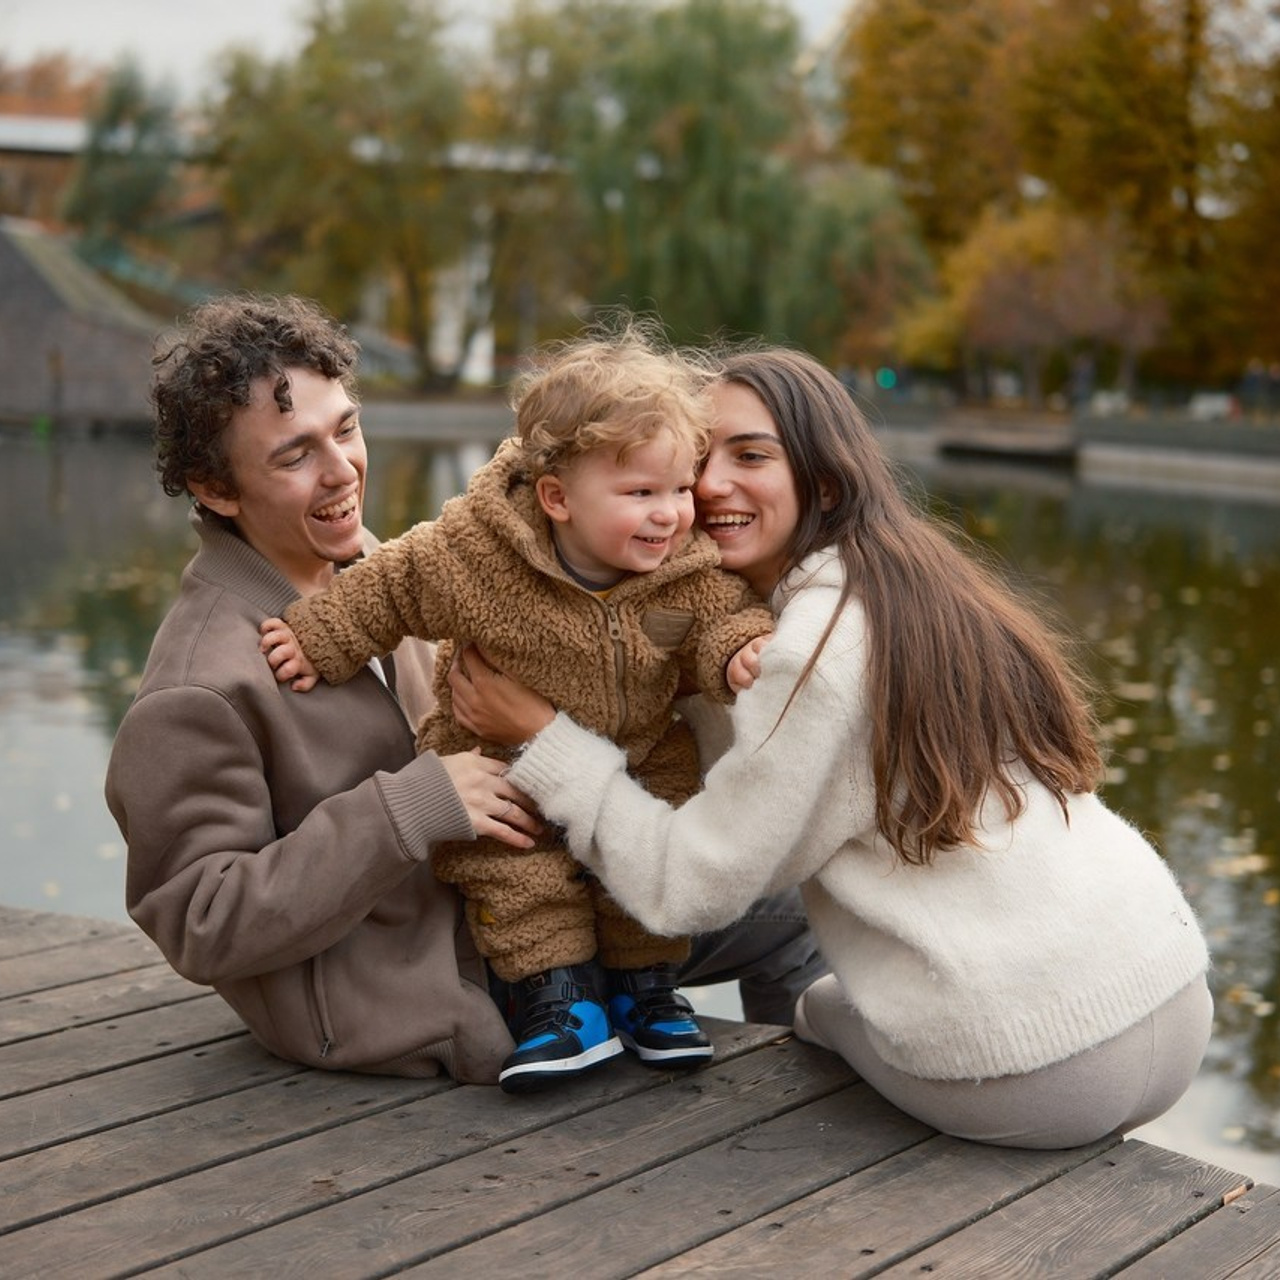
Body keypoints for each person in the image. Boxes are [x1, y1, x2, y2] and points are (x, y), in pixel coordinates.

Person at [447, 345, 1213, 1148]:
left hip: (1036, 1064)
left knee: (818, 1012)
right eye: (700, 458)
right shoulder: (911, 584)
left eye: (751, 456)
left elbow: (687, 887)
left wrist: (543, 737)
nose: (708, 485)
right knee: (819, 972)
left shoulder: (813, 647)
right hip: (1168, 992)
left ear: (825, 483)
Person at [260, 324, 775, 1093]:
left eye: (678, 489)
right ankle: (558, 999)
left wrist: (739, 652)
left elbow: (722, 617)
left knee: (648, 861)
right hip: (503, 768)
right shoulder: (478, 554)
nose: (670, 514)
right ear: (557, 498)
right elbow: (392, 584)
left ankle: (647, 990)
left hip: (637, 758)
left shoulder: (686, 568)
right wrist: (319, 635)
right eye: (640, 494)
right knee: (515, 870)